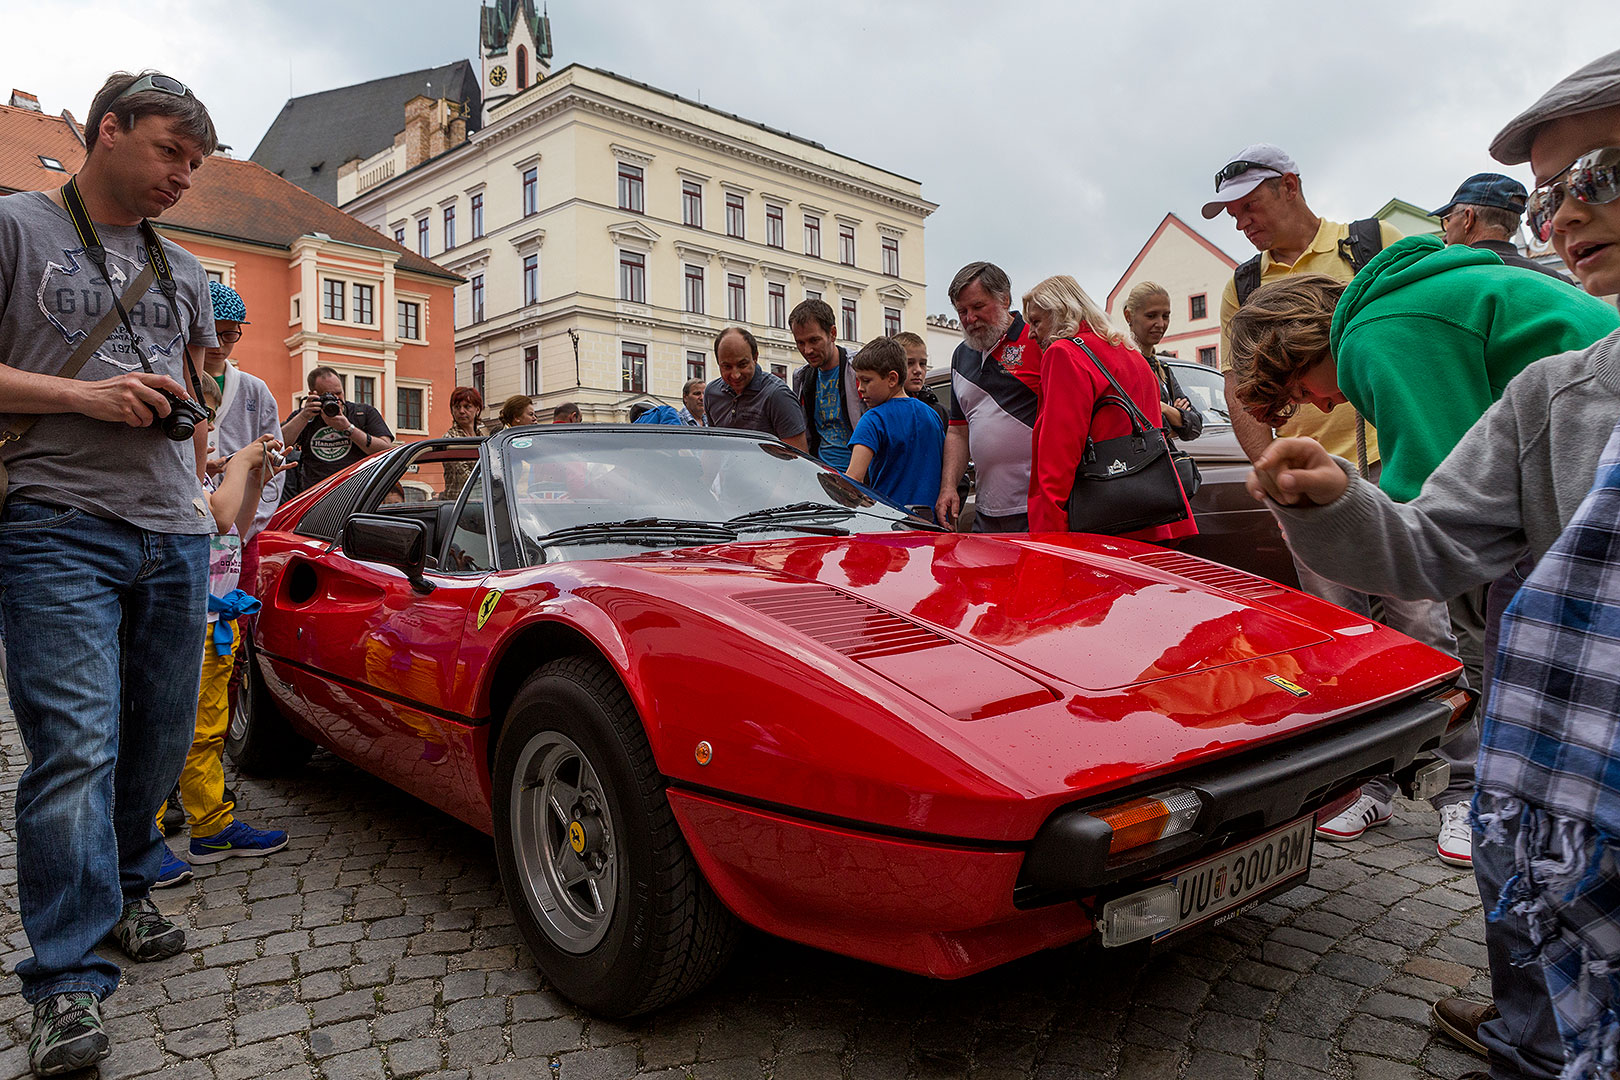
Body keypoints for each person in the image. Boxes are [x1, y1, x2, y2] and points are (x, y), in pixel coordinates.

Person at [1245, 47, 1620, 1080]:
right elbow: (1445, 521)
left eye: (1604, 175)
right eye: (1550, 196)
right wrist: (1338, 502)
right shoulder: (1553, 388)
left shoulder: (1381, 336)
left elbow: (1440, 505)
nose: (1566, 217)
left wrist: (1471, 664)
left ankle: (1535, 1025)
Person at [1227, 243, 1618, 867]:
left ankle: (1484, 800)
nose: (1325, 405)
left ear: (1297, 350)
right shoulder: (1422, 296)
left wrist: (1346, 517)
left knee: (1472, 648)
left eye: (1303, 390)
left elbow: (1440, 510)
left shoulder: (1374, 335)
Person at [0, 70, 220, 1077]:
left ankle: (129, 885)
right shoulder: (17, 227)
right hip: (55, 522)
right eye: (171, 151)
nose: (184, 175)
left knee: (158, 735)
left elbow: (198, 380)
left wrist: (190, 403)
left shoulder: (182, 267)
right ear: (110, 129)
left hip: (173, 528)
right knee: (74, 746)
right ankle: (64, 983)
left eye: (195, 162)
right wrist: (86, 398)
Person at [155, 428, 290, 889]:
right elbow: (215, 519)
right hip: (180, 626)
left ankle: (210, 827)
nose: (207, 438)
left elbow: (238, 525)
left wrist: (254, 477)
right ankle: (141, 840)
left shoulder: (208, 480)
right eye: (201, 427)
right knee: (156, 732)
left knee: (208, 730)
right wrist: (238, 466)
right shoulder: (175, 481)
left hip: (216, 625)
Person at [1023, 275, 1197, 543]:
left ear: (1061, 311)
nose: (1031, 333)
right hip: (1151, 512)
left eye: (1036, 321)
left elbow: (1058, 456)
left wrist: (1050, 535)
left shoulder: (1063, 354)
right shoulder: (1128, 351)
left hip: (1100, 522)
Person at [934, 262, 1043, 532]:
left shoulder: (1036, 338)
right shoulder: (961, 355)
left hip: (1037, 507)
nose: (969, 318)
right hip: (986, 510)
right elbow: (958, 431)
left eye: (978, 307)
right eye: (962, 311)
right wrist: (949, 486)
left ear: (1004, 299)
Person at [844, 337, 945, 516]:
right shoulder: (932, 415)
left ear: (892, 379)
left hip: (890, 522)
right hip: (929, 523)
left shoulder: (873, 419)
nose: (860, 388)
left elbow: (853, 479)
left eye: (866, 381)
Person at [1432, 173, 1575, 281]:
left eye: (1447, 221)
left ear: (1468, 219)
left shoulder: (1442, 278)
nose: (1444, 238)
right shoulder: (1561, 281)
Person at [280, 366, 393, 499]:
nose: (336, 399)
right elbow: (280, 444)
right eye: (328, 395)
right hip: (316, 498)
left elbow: (386, 448)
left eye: (339, 393)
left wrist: (348, 428)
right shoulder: (305, 416)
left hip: (357, 496)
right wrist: (304, 416)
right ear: (313, 395)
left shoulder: (363, 413)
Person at [1121, 282, 1203, 443]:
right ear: (1128, 316)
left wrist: (1164, 408)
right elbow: (1153, 428)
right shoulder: (1123, 366)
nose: (1160, 324)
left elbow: (1195, 427)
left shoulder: (1163, 370)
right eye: (1151, 316)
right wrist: (1177, 415)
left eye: (1165, 316)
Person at [703, 326, 808, 450]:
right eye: (727, 366)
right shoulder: (711, 393)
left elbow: (797, 456)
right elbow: (713, 449)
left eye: (742, 365)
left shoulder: (778, 395)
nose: (735, 375)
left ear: (755, 358)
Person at [789, 299, 865, 467]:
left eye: (814, 340)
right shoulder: (801, 377)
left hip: (862, 479)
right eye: (800, 343)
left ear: (833, 333)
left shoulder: (860, 370)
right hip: (821, 476)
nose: (807, 350)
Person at [892, 331, 948, 426]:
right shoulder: (879, 411)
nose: (918, 370)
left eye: (922, 364)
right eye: (909, 363)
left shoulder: (938, 412)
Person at [441, 385, 483, 497]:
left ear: (477, 410)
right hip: (459, 504)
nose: (461, 411)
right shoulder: (450, 439)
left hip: (481, 500)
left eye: (467, 406)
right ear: (452, 410)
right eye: (457, 407)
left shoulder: (483, 438)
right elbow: (466, 476)